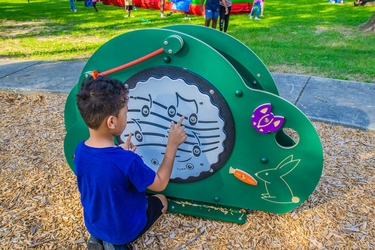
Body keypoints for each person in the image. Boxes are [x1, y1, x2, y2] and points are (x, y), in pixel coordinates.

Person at [74, 76, 187, 250]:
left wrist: (119, 151)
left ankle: (97, 238)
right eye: (125, 113)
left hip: (93, 222)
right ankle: (118, 245)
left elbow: (103, 168)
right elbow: (160, 183)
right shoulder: (127, 161)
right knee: (162, 200)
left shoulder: (80, 150)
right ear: (111, 121)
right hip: (124, 230)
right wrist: (172, 145)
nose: (127, 116)